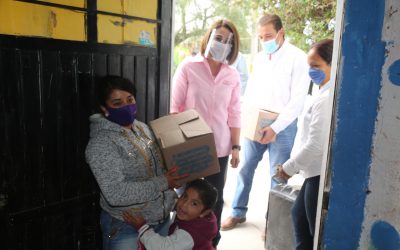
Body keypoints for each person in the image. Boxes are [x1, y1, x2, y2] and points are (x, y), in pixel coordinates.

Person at [221, 14, 310, 231]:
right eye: (261, 37)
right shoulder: (259, 58)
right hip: (257, 123)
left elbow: (297, 101)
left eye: (268, 35)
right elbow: (251, 92)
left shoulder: (298, 58)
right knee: (244, 169)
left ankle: (273, 224)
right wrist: (248, 121)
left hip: (284, 126)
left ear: (281, 32)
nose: (265, 41)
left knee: (277, 177)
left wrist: (275, 127)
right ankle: (237, 212)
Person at [85, 75, 186, 250]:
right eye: (117, 103)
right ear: (104, 108)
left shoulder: (142, 128)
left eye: (130, 99)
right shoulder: (101, 144)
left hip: (159, 220)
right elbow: (116, 194)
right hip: (127, 226)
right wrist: (164, 182)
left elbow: (158, 168)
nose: (126, 106)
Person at [170, 19, 241, 246]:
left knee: (213, 201)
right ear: (208, 38)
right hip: (190, 147)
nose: (222, 43)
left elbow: (234, 113)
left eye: (228, 41)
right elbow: (174, 108)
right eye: (218, 38)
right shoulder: (188, 67)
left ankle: (211, 242)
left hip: (219, 148)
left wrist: (236, 147)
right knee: (185, 199)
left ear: (233, 47)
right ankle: (178, 240)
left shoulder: (232, 75)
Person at [276, 39, 334, 249]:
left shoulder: (326, 98)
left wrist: (288, 168)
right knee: (300, 220)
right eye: (309, 66)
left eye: (316, 66)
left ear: (332, 64)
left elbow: (315, 145)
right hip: (312, 174)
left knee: (313, 233)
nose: (311, 71)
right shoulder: (321, 92)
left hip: (317, 175)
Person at [123, 179, 218, 250]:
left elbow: (162, 248)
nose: (184, 205)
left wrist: (142, 227)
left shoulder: (189, 235)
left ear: (205, 212)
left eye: (194, 203)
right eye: (185, 196)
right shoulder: (200, 218)